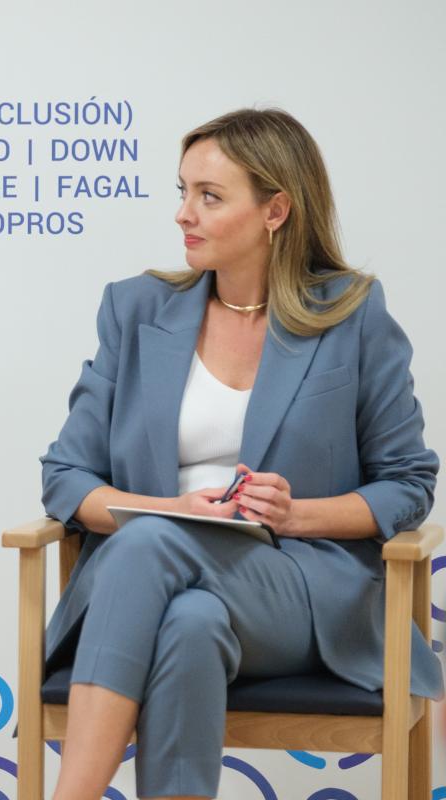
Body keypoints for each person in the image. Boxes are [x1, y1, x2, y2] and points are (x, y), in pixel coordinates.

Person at [38, 108, 441, 800]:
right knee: (188, 621)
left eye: (209, 196)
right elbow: (65, 477)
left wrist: (297, 514)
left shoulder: (352, 316)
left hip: (295, 590)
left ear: (275, 211)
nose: (183, 213)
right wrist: (173, 508)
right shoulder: (135, 310)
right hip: (152, 590)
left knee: (146, 544)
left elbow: (407, 484)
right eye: (182, 191)